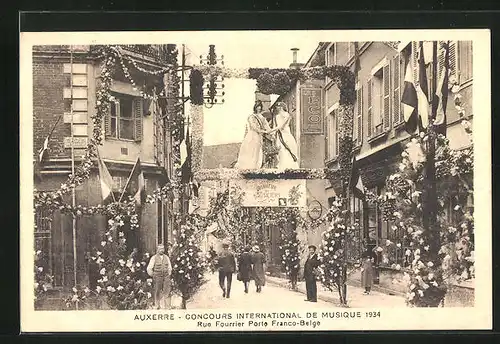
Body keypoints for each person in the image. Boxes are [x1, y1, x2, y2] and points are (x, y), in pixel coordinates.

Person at [234, 100, 277, 169]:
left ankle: (255, 166)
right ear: (255, 107)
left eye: (260, 106)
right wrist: (263, 131)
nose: (259, 108)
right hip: (252, 135)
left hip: (259, 136)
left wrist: (272, 133)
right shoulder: (251, 116)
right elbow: (253, 127)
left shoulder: (262, 117)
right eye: (257, 106)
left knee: (257, 150)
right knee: (250, 149)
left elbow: (267, 127)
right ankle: (248, 165)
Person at [272, 102, 299, 169]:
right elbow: (275, 126)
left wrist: (270, 130)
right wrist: (272, 134)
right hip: (279, 135)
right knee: (281, 150)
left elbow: (281, 126)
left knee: (288, 149)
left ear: (281, 107)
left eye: (278, 107)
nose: (277, 108)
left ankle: (289, 167)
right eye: (277, 107)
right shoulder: (276, 117)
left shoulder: (287, 115)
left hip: (286, 134)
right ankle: (282, 166)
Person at [146, 244, 172, 309]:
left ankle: (168, 307)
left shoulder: (166, 257)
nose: (162, 250)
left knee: (167, 291)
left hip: (166, 277)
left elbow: (169, 267)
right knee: (157, 292)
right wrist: (153, 275)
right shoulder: (154, 258)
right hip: (157, 277)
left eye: (163, 249)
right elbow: (149, 268)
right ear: (157, 250)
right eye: (160, 249)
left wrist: (168, 274)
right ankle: (157, 306)